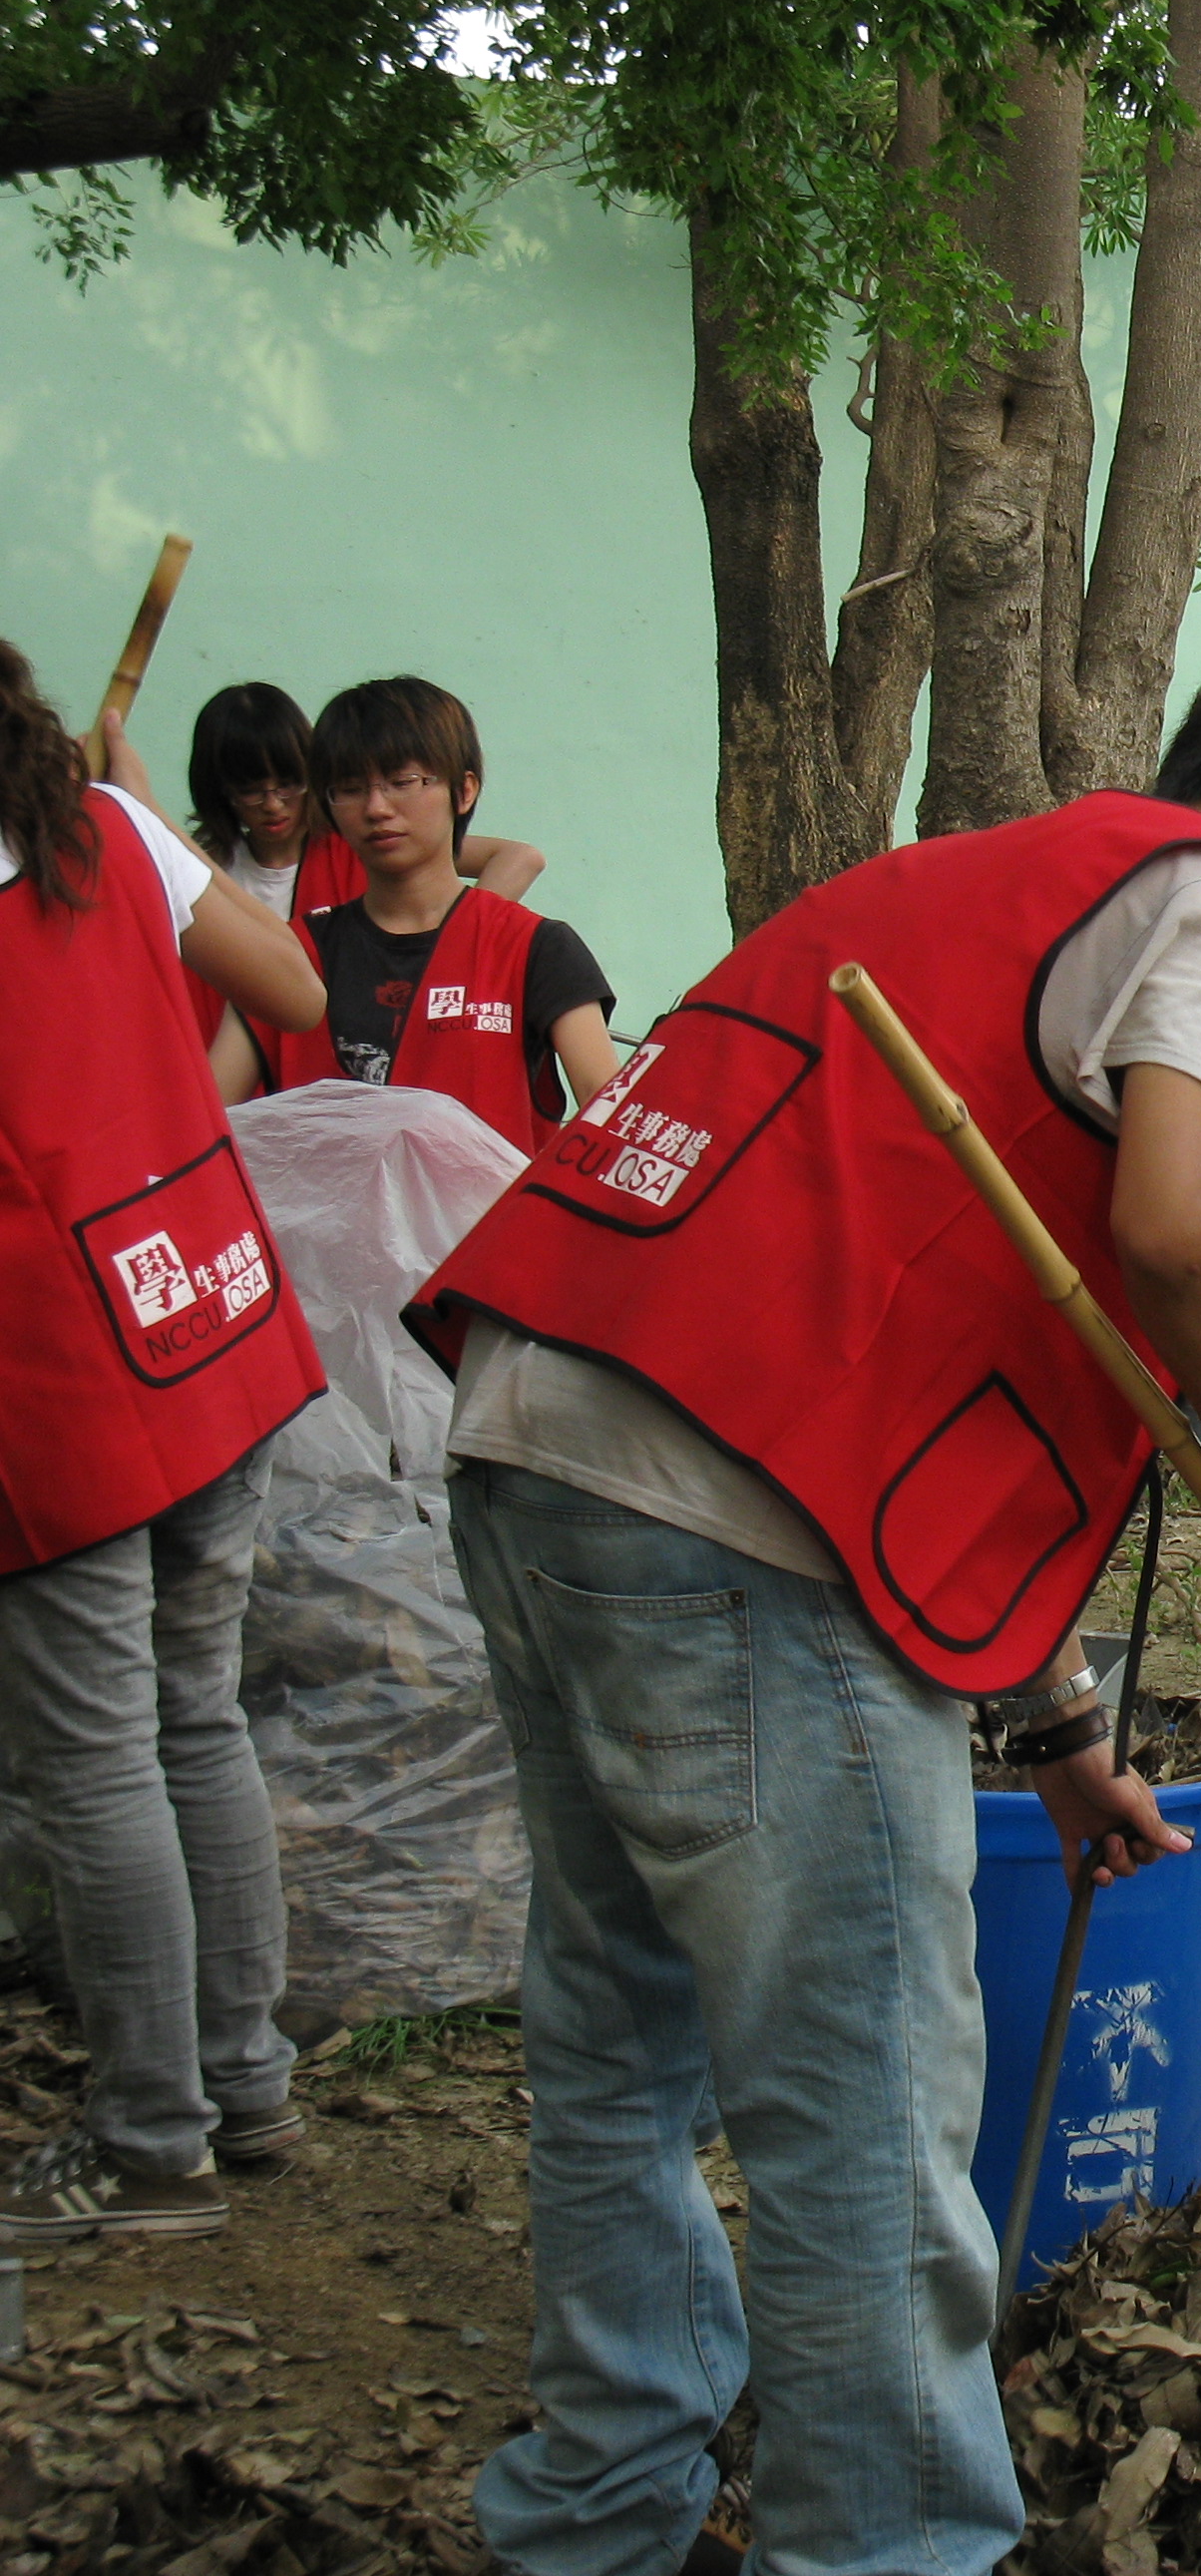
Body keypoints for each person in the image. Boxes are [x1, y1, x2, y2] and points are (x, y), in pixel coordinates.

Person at [404, 623, 1201, 2576]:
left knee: (618, 2049)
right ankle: (886, 2546)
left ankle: (603, 2508)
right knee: (863, 2100)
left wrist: (1054, 1726)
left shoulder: (983, 880)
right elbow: (1163, 1225)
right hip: (730, 1503)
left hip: (543, 1420)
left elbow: (895, 1273)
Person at [0, 648, 331, 2246]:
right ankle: (244, 2085)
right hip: (204, 1292)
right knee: (193, 1714)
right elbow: (295, 994)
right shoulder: (109, 826)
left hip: (53, 1364)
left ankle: (151, 2145)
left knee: (96, 1750)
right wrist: (140, 815)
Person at [242, 678, 613, 1147]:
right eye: (351, 789)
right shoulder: (291, 952)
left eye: (403, 783)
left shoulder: (537, 948)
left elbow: (609, 1123)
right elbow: (202, 1128)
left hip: (491, 1221)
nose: (377, 808)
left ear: (464, 791)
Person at [180, 680, 543, 1043]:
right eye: (250, 791)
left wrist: (444, 949)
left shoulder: (364, 846)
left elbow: (520, 858)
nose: (273, 804)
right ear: (219, 791)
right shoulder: (197, 877)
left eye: (288, 784)